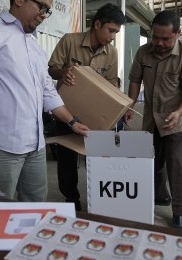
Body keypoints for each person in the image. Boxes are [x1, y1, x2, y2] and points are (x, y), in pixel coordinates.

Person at [0, 0, 89, 202]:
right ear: (19, 1)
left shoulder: (35, 49)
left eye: (48, 11)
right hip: (0, 145)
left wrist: (72, 122)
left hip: (35, 146)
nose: (44, 14)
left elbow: (48, 93)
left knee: (36, 206)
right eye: (41, 7)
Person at [125, 10, 182, 230]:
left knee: (176, 167)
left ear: (178, 33)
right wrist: (129, 105)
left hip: (178, 120)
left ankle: (179, 213)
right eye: (155, 37)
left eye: (165, 38)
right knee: (153, 162)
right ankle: (160, 196)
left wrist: (178, 113)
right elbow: (134, 80)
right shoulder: (143, 53)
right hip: (152, 119)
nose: (158, 42)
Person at [47, 3, 125, 211]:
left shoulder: (112, 52)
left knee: (98, 155)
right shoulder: (69, 41)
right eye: (111, 30)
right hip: (67, 112)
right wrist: (64, 72)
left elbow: (111, 82)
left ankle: (100, 196)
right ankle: (71, 198)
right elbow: (51, 69)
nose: (112, 36)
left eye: (116, 32)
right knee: (67, 158)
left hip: (96, 114)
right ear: (97, 24)